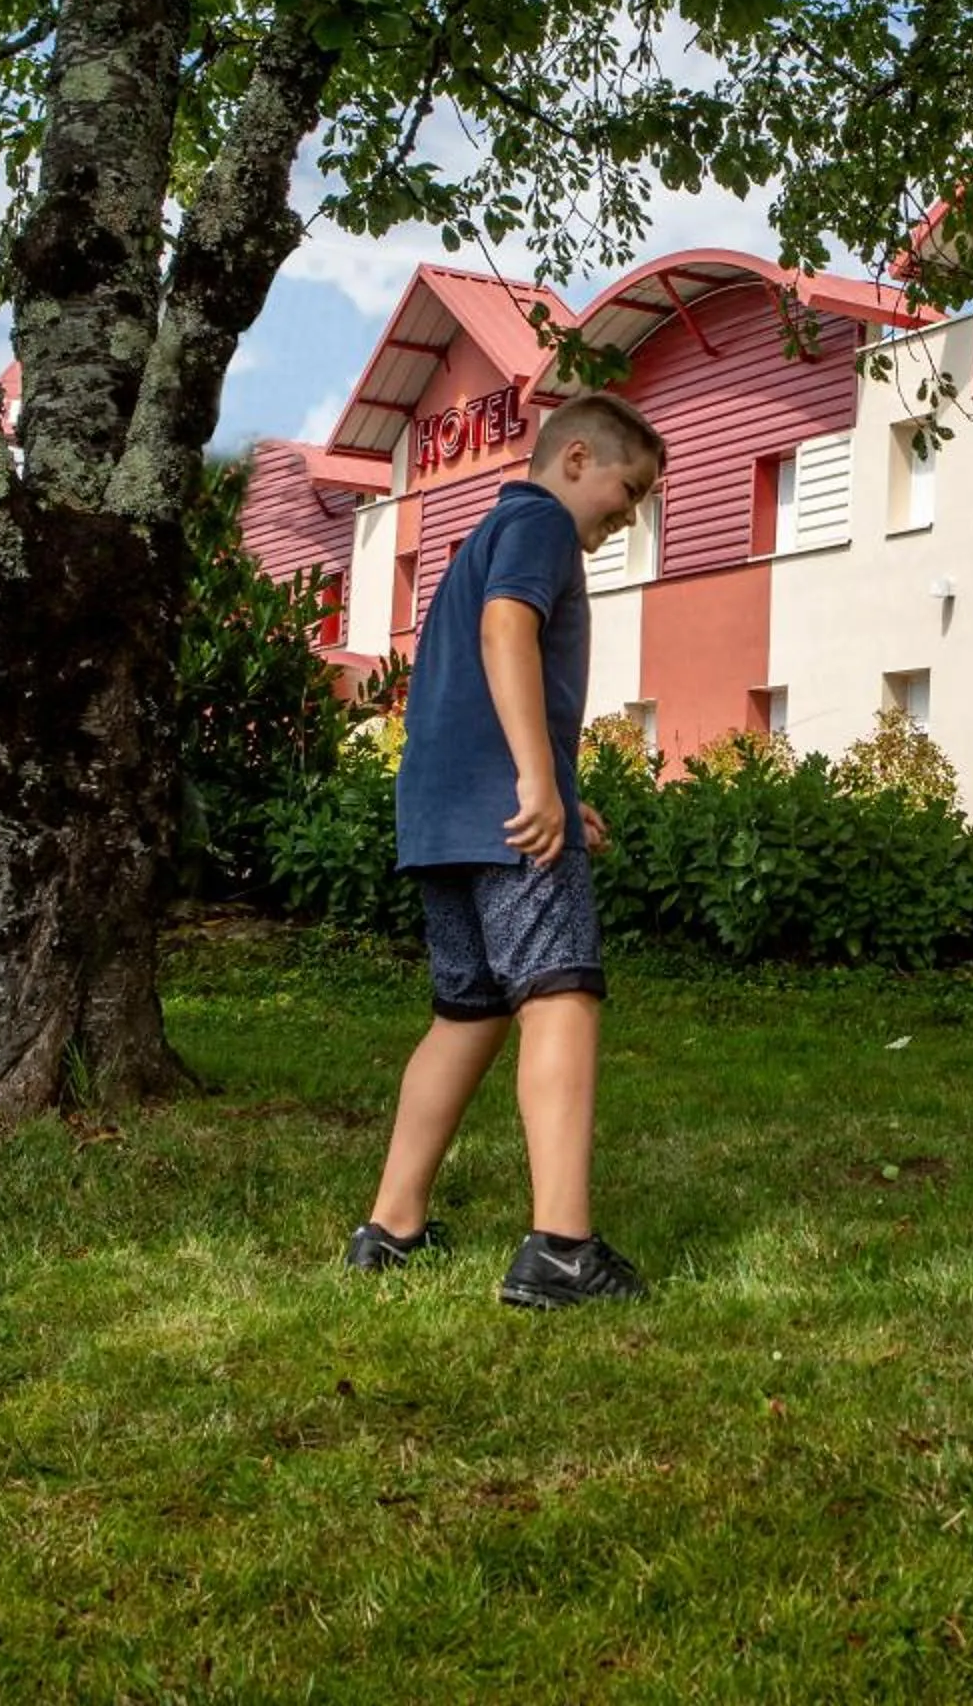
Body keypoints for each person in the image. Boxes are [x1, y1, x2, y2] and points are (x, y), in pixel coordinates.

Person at [348, 393, 664, 1310]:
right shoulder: (539, 526)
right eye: (627, 488)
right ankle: (563, 1248)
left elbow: (474, 681)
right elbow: (506, 631)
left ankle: (391, 1227)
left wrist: (564, 787)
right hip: (504, 812)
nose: (628, 512)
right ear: (574, 460)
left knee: (469, 1010)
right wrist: (536, 782)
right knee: (561, 990)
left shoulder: (488, 533)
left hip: (441, 815)